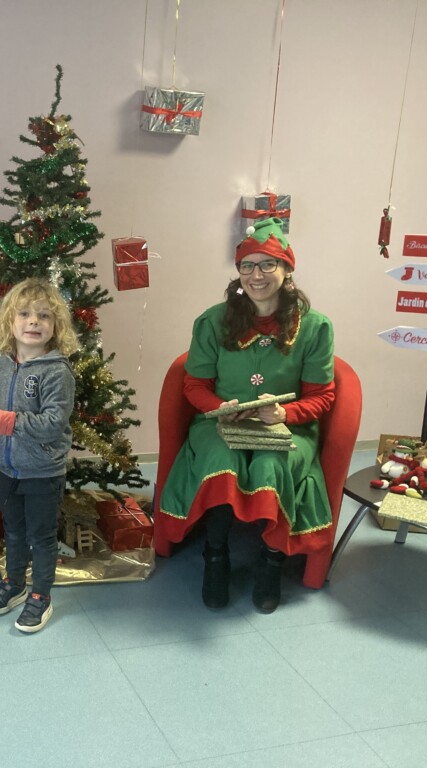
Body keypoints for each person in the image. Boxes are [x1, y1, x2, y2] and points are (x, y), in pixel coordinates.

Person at [158, 217, 335, 613]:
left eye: (268, 264)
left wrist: (285, 413)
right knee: (221, 460)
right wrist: (218, 408)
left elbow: (322, 396)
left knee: (272, 463)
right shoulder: (212, 321)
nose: (257, 275)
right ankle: (215, 556)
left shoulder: (315, 327)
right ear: (238, 272)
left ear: (287, 269)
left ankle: (271, 563)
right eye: (247, 266)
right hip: (221, 423)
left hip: (288, 427)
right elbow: (194, 386)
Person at [0, 278, 77, 633]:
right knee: (14, 531)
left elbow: (52, 423)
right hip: (6, 467)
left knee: (41, 537)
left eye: (44, 316)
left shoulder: (56, 371)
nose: (34, 321)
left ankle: (41, 596)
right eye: (25, 314)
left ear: (56, 326)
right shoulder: (4, 362)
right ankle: (15, 583)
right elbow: (2, 398)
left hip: (42, 471)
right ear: (9, 322)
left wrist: (6, 421)